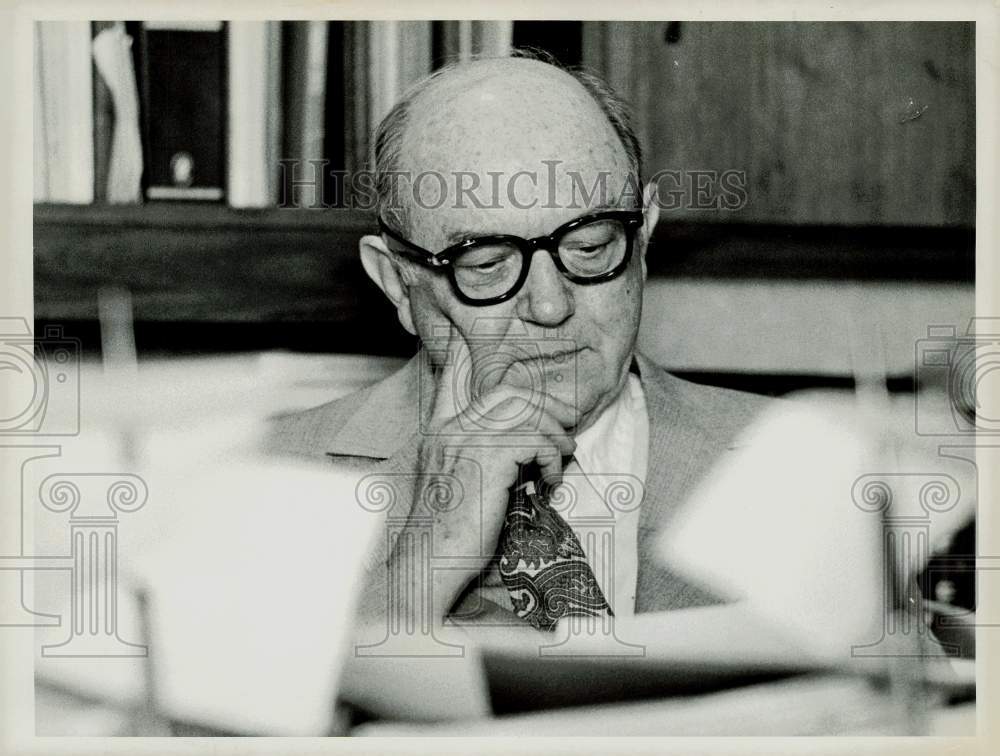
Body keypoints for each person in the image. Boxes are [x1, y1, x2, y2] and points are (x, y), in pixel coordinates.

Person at [269, 51, 770, 636]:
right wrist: (431, 553)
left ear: (644, 240)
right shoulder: (268, 480)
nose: (550, 306)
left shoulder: (798, 462)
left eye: (589, 247)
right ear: (396, 283)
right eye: (484, 264)